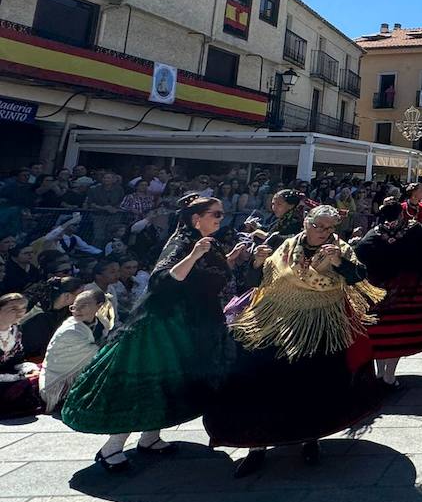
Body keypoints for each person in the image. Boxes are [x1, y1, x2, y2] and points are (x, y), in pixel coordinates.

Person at [60, 195, 248, 472]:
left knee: (170, 382)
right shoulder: (183, 242)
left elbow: (206, 276)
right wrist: (194, 254)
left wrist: (231, 259)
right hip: (164, 323)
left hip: (194, 322)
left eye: (222, 214)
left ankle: (150, 438)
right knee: (145, 380)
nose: (221, 218)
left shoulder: (210, 242)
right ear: (197, 218)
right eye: (216, 214)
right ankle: (111, 448)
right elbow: (161, 279)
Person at [204, 205, 387, 477]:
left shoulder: (342, 249)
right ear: (305, 222)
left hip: (320, 324)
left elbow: (358, 278)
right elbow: (256, 282)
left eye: (329, 228)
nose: (323, 233)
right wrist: (255, 264)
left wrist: (340, 263)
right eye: (318, 226)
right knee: (259, 379)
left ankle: (310, 439)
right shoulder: (283, 245)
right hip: (274, 320)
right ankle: (257, 445)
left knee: (311, 385)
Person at [352, 199, 422, 387]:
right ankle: (389, 376)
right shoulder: (412, 229)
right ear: (401, 213)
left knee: (380, 332)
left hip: (378, 292)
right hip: (407, 290)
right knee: (401, 331)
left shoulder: (374, 234)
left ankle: (380, 373)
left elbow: (359, 252)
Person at [38, 288, 106, 413]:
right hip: (58, 384)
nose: (77, 310)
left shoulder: (101, 323)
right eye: (74, 307)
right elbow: (98, 353)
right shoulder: (70, 330)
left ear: (99, 306)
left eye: (83, 306)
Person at [0, 292, 43, 418]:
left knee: (41, 371)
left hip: (8, 374)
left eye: (23, 309)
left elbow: (17, 358)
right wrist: (14, 377)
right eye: (13, 309)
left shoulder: (16, 329)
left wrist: (26, 368)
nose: (20, 313)